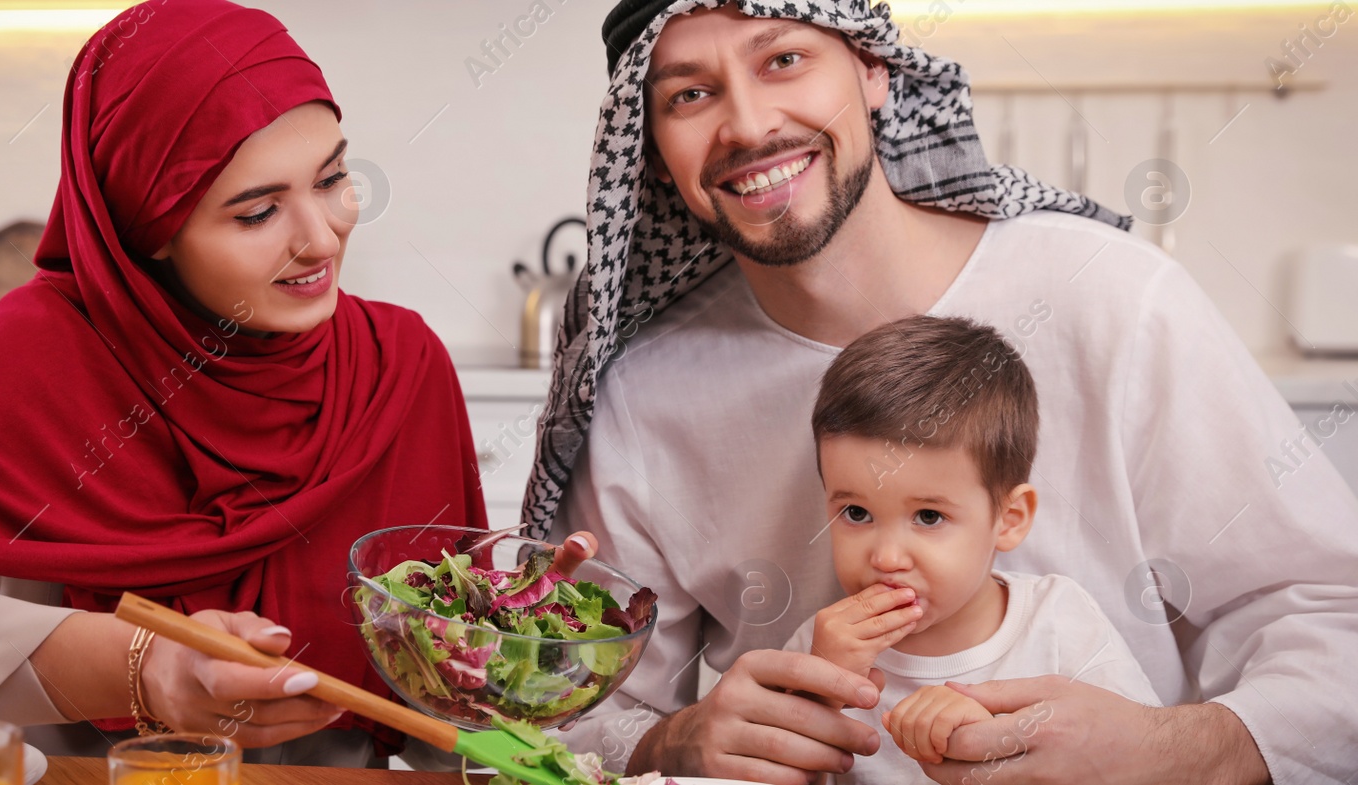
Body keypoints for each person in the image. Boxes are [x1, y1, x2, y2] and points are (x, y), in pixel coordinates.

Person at [525, 2, 1358, 784]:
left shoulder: (1111, 297)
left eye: (784, 59)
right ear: (651, 143)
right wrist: (672, 741)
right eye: (690, 95)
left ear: (874, 69)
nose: (745, 124)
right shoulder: (642, 392)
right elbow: (558, 711)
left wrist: (1169, 750)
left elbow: (1332, 614)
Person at [0, 0, 558, 768]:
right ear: (149, 230)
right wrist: (135, 667)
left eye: (332, 178)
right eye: (256, 213)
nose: (323, 236)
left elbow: (449, 705)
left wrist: (532, 631)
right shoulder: (41, 354)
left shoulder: (398, 363)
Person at [777, 315, 1159, 783]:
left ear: (1009, 520)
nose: (888, 558)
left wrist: (998, 739)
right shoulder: (816, 648)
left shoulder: (1059, 622)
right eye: (856, 513)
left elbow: (1139, 762)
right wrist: (823, 691)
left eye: (929, 517)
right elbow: (769, 773)